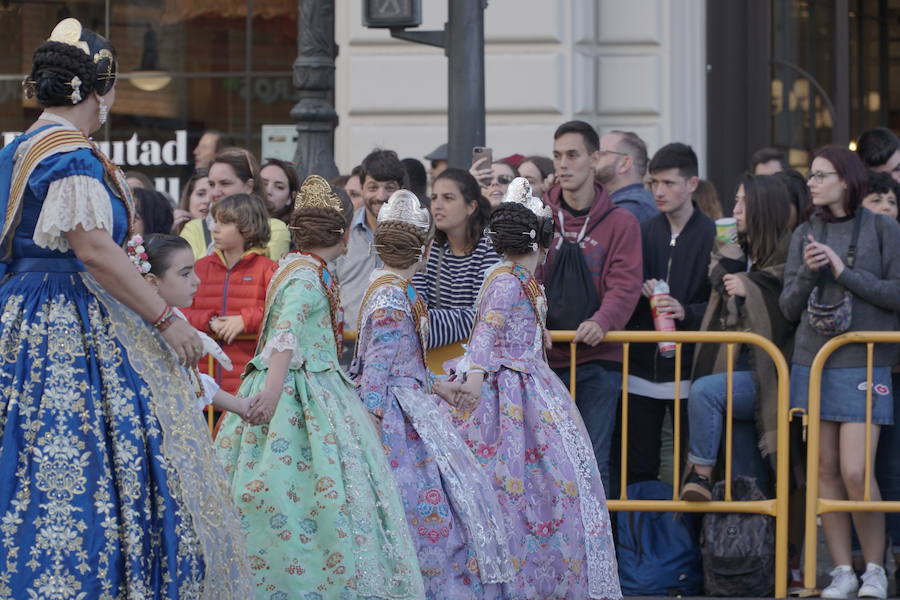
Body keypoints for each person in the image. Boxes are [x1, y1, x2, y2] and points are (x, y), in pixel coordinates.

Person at [0, 18, 250, 596]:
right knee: (80, 461)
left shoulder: (19, 148)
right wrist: (167, 320)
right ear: (99, 89)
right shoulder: (69, 155)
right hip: (64, 318)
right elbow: (94, 249)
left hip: (21, 311)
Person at [216, 175, 424, 600]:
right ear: (345, 235)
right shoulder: (306, 277)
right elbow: (287, 333)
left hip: (311, 385)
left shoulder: (297, 269)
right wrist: (272, 393)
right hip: (303, 393)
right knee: (310, 495)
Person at [449, 178, 622, 599]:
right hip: (509, 394)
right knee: (515, 488)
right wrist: (472, 382)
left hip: (529, 387)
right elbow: (486, 337)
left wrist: (536, 334)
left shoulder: (516, 280)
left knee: (540, 487)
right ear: (543, 243)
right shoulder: (509, 281)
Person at [350, 189, 512, 599]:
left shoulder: (393, 289)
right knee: (424, 511)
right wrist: (368, 435)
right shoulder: (391, 297)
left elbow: (403, 365)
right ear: (421, 249)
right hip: (394, 421)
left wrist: (441, 388)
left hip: (410, 406)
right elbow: (376, 374)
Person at [780, 146, 900, 600]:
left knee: (855, 469)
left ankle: (875, 568)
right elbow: (788, 308)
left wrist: (843, 271)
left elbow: (896, 294)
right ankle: (842, 571)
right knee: (824, 469)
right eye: (810, 176)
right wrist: (812, 274)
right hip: (813, 360)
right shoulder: (804, 231)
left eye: (820, 175)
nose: (811, 183)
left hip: (865, 360)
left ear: (846, 179)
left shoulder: (884, 228)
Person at [540, 120, 643, 494]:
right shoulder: (540, 217)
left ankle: (598, 552)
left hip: (599, 361)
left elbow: (625, 284)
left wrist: (603, 321)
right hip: (545, 361)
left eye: (573, 155)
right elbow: (524, 276)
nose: (563, 164)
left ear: (594, 159)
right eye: (557, 156)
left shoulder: (622, 222)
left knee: (593, 463)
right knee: (547, 464)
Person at [681, 174, 795, 501]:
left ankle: (699, 474)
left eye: (744, 202)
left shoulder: (788, 253)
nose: (737, 209)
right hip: (735, 365)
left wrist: (753, 288)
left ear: (763, 208)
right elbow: (721, 283)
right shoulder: (736, 254)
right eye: (735, 201)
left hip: (770, 375)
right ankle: (754, 547)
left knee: (705, 392)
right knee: (745, 476)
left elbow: (788, 306)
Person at [625, 143, 715, 484]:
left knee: (692, 469)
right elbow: (621, 288)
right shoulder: (644, 230)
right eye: (654, 184)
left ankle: (687, 537)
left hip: (692, 370)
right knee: (637, 466)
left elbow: (724, 306)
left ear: (692, 184)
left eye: (668, 184)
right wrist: (637, 293)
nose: (659, 192)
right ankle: (642, 538)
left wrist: (685, 311)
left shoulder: (712, 235)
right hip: (640, 368)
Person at [138, 233, 250, 416]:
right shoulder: (146, 329)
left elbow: (191, 381)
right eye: (185, 274)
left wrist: (241, 406)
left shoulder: (174, 318)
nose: (197, 281)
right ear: (152, 281)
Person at [182, 193, 277, 394]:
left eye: (223, 223)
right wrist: (209, 321)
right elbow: (180, 312)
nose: (214, 228)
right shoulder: (199, 268)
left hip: (247, 383)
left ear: (248, 228)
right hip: (202, 382)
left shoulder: (268, 269)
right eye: (215, 221)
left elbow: (280, 313)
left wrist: (245, 320)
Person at [412, 168, 500, 348]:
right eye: (434, 197)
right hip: (437, 361)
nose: (437, 205)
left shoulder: (490, 247)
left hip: (480, 361)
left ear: (471, 206)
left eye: (448, 198)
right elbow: (416, 310)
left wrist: (428, 321)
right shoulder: (433, 246)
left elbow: (484, 317)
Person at [336, 148, 407, 333]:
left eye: (389, 188)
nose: (381, 196)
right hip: (348, 343)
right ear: (362, 189)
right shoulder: (343, 231)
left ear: (402, 190)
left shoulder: (416, 234)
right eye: (373, 187)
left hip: (398, 342)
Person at [180, 148, 290, 260]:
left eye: (225, 183)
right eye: (212, 184)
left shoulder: (274, 229)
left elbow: (269, 275)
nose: (215, 192)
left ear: (249, 186)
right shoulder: (194, 228)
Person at [595, 129, 659, 223]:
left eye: (601, 153)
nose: (592, 159)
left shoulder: (628, 210)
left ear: (624, 164)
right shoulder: (640, 203)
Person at [259, 157, 299, 223]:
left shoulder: (296, 230)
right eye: (263, 184)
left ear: (290, 197)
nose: (268, 191)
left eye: (279, 187)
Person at [173, 168, 210, 234]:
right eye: (200, 194)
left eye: (212, 196)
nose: (207, 200)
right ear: (188, 198)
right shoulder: (172, 229)